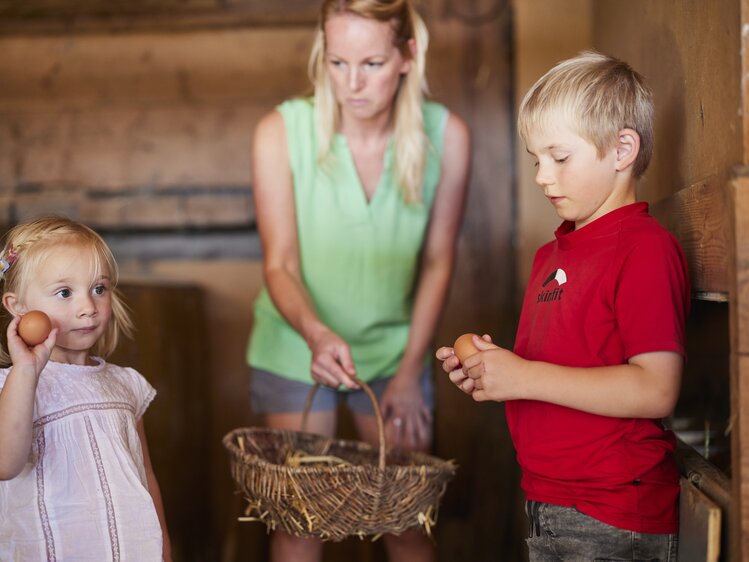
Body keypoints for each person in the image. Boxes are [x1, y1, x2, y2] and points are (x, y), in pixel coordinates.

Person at [437, 51, 690, 561]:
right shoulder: (550, 255)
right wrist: (493, 372)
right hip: (547, 498)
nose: (541, 177)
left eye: (559, 157)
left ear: (622, 149)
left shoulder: (643, 247)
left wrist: (524, 378)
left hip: (612, 513)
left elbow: (656, 388)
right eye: (536, 160)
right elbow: (559, 368)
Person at [245, 0, 471, 560]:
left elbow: (439, 260)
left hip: (399, 351)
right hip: (295, 345)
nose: (351, 83)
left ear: (406, 57)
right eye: (337, 62)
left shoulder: (449, 135)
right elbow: (281, 264)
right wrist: (316, 334)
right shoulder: (280, 131)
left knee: (405, 521)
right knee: (302, 522)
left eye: (370, 63)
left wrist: (411, 369)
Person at [0, 216, 172, 561]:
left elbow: (145, 477)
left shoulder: (125, 384)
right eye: (64, 292)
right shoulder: (12, 384)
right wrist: (27, 370)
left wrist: (164, 550)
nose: (88, 307)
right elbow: (6, 464)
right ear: (17, 306)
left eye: (99, 288)